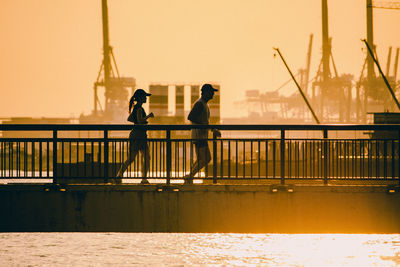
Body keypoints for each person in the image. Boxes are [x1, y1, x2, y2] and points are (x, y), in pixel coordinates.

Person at [185, 83, 221, 184]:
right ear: (205, 92)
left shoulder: (203, 104)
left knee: (203, 159)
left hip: (201, 136)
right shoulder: (200, 104)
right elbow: (191, 117)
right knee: (205, 159)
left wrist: (211, 129)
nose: (213, 95)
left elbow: (203, 121)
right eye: (211, 92)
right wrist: (204, 126)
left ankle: (189, 176)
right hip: (199, 136)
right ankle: (189, 176)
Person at [116, 89, 154, 184]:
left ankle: (119, 174)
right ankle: (143, 178)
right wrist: (148, 116)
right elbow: (140, 121)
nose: (146, 98)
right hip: (139, 135)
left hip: (137, 135)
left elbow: (131, 118)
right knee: (145, 157)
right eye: (144, 96)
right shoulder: (139, 108)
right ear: (140, 98)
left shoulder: (137, 108)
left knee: (134, 157)